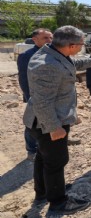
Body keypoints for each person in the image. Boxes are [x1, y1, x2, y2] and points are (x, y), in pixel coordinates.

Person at [23, 25, 91, 215]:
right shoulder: (47, 64)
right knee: (56, 161)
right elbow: (43, 101)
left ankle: (43, 192)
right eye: (81, 45)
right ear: (70, 45)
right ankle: (58, 202)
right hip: (48, 121)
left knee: (44, 158)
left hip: (46, 119)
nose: (81, 48)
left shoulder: (54, 54)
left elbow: (73, 65)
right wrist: (54, 127)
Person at [17, 28, 53, 161]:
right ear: (34, 40)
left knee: (54, 117)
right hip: (35, 97)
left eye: (51, 38)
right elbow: (24, 79)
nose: (49, 41)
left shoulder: (53, 53)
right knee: (32, 123)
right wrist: (30, 97)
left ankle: (55, 140)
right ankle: (31, 149)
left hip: (52, 95)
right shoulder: (26, 56)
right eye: (45, 38)